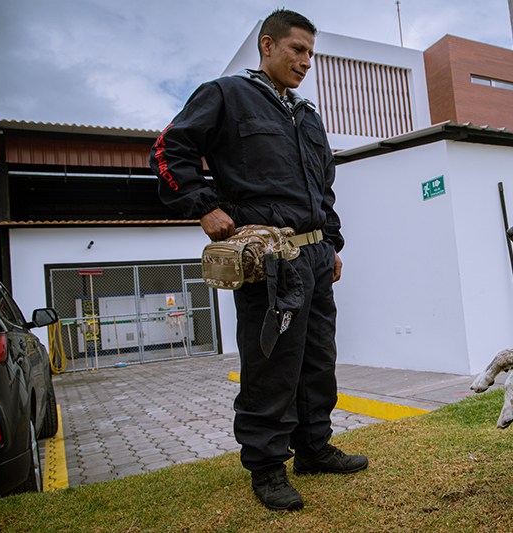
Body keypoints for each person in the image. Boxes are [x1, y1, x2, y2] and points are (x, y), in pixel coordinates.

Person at [149, 8, 367, 511]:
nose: (306, 61)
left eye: (312, 53)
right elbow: (169, 150)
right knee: (271, 360)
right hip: (268, 256)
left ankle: (314, 448)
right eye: (297, 49)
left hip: (314, 255)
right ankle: (267, 467)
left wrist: (331, 243)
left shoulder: (307, 115)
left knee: (317, 357)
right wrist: (204, 207)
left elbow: (323, 189)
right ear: (267, 46)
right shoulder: (226, 95)